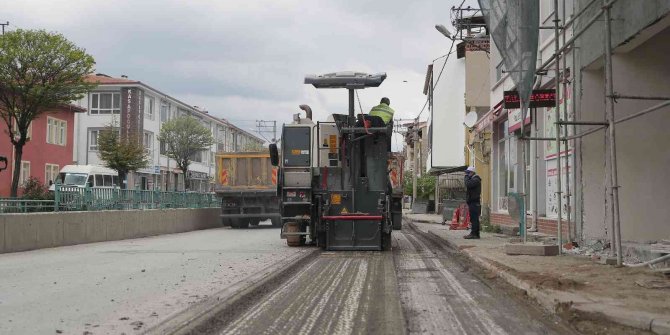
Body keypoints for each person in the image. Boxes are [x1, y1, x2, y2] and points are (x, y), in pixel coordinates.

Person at [464, 166, 481, 239]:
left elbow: (468, 184)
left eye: (468, 173)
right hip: (472, 202)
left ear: (472, 172)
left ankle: (474, 234)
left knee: (474, 219)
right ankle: (475, 234)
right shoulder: (474, 179)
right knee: (474, 218)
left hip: (474, 202)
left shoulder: (476, 180)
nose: (467, 174)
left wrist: (466, 178)